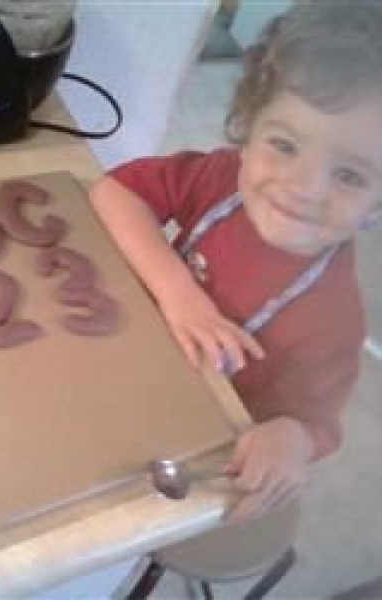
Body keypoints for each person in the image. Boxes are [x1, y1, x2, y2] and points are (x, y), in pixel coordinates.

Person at [89, 0, 382, 522]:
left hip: (188, 428)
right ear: (247, 131)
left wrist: (288, 440)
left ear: (377, 206)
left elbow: (312, 423)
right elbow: (114, 193)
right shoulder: (218, 179)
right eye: (285, 144)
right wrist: (181, 296)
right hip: (126, 352)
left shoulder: (333, 322)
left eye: (351, 176)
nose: (304, 188)